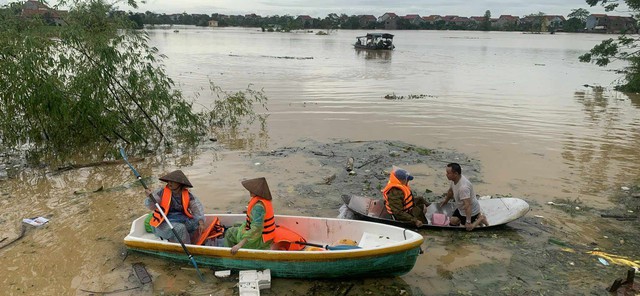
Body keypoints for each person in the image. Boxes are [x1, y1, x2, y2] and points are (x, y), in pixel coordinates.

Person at [144, 170, 206, 244]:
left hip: (181, 219)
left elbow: (197, 209)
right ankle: (185, 247)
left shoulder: (188, 195)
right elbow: (152, 206)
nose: (169, 183)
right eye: (169, 181)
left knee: (195, 224)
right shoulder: (161, 192)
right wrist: (150, 197)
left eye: (173, 181)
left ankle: (192, 240)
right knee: (180, 228)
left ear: (180, 184)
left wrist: (201, 223)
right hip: (163, 223)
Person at [225, 177, 276, 255]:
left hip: (261, 239)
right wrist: (249, 212)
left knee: (229, 232)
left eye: (252, 190)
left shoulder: (258, 207)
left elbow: (256, 228)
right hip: (267, 235)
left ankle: (230, 255)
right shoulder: (264, 200)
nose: (250, 191)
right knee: (236, 224)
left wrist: (239, 245)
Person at [439, 163, 489, 231]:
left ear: (455, 174)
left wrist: (468, 222)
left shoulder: (463, 188)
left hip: (471, 210)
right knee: (452, 222)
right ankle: (478, 216)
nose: (446, 175)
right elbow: (450, 191)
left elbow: (467, 205)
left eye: (448, 173)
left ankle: (480, 218)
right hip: (461, 208)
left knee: (467, 228)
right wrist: (446, 201)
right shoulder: (455, 180)